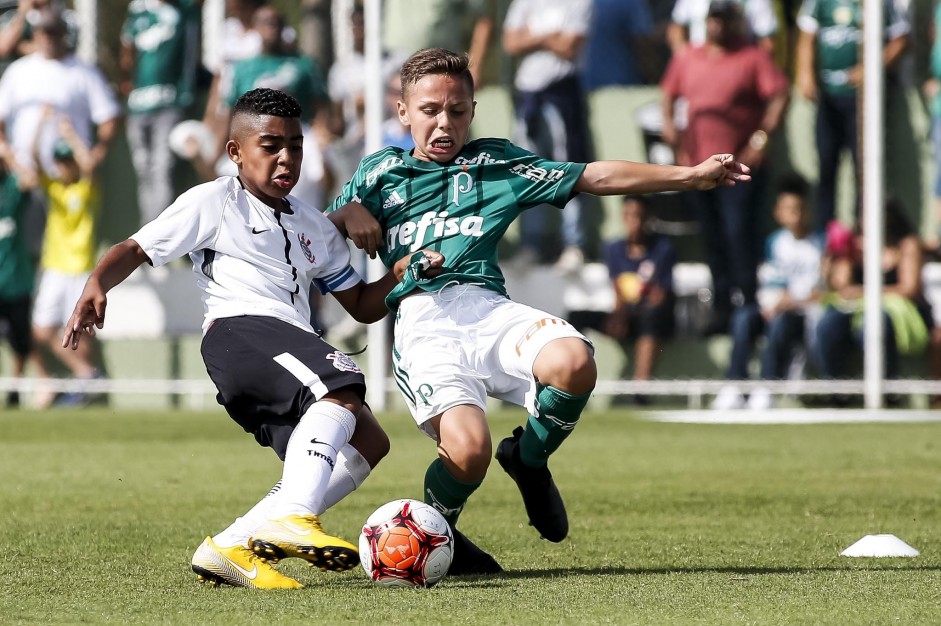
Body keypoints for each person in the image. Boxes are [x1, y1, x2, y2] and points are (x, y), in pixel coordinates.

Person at [326, 48, 750, 573]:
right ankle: (442, 533)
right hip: (424, 323)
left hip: (488, 308)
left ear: (473, 111)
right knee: (468, 451)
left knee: (573, 360)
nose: (444, 123)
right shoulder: (379, 171)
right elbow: (320, 231)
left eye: (457, 111)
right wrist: (345, 211)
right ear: (403, 112)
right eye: (431, 110)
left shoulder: (496, 162)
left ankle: (528, 460)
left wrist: (688, 176)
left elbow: (594, 175)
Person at [61, 88, 446, 589]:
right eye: (270, 145)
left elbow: (363, 307)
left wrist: (401, 274)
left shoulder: (314, 226)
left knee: (370, 441)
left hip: (283, 341)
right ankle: (294, 519)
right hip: (239, 332)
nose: (286, 157)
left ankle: (230, 547)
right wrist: (97, 282)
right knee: (342, 387)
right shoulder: (215, 200)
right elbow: (136, 247)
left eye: (296, 145)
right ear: (235, 152)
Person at [661, 0, 790, 336]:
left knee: (739, 235)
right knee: (713, 238)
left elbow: (779, 94)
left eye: (723, 19)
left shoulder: (751, 56)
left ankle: (747, 305)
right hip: (698, 167)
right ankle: (720, 307)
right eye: (712, 19)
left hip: (737, 167)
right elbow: (668, 91)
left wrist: (761, 140)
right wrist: (669, 127)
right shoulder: (690, 56)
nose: (717, 26)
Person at [0, 8, 119, 259]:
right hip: (26, 178)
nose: (48, 37)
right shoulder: (17, 71)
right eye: (42, 31)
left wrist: (96, 155)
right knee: (22, 249)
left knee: (68, 248)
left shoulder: (84, 72)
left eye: (54, 31)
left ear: (65, 33)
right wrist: (12, 161)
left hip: (69, 180)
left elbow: (108, 116)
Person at [711, 174, 825, 410]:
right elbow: (771, 283)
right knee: (743, 318)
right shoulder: (774, 243)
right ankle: (735, 386)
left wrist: (789, 302)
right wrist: (773, 303)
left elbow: (822, 291)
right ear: (778, 212)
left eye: (799, 208)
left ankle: (767, 386)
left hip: (801, 313)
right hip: (772, 308)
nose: (795, 214)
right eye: (788, 208)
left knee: (781, 323)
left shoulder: (820, 244)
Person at [795, 0, 910, 230]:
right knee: (826, 166)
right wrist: (805, 73)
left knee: (865, 167)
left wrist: (870, 67)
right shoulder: (819, 3)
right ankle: (825, 233)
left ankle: (863, 231)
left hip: (864, 100)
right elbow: (807, 35)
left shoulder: (880, 4)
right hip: (827, 98)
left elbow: (901, 39)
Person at [503, 0, 594, 275]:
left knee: (569, 169)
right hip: (528, 95)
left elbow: (569, 47)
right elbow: (510, 43)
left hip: (562, 93)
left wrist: (531, 36)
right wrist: (549, 36)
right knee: (527, 171)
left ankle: (573, 244)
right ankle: (531, 245)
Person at [814, 200, 932, 406]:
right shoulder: (858, 246)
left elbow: (909, 288)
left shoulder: (907, 245)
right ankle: (836, 392)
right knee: (828, 325)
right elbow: (841, 285)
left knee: (875, 324)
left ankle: (888, 391)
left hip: (900, 312)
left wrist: (865, 292)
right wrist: (838, 254)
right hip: (859, 309)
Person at [29, 108, 105, 406]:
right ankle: (88, 375)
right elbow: (35, 159)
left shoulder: (86, 189)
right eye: (59, 161)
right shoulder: (54, 189)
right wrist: (41, 123)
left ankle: (86, 383)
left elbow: (89, 166)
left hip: (80, 268)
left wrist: (70, 134)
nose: (62, 166)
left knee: (79, 329)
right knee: (42, 329)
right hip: (54, 268)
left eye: (66, 161)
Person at [119, 0, 202, 224]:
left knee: (162, 169)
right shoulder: (138, 9)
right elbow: (127, 46)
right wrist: (127, 79)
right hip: (138, 104)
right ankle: (149, 233)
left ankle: (156, 241)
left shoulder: (185, 9)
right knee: (144, 171)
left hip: (170, 102)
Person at [598, 195, 676, 403]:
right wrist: (618, 316)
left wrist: (633, 303)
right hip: (627, 315)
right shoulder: (613, 249)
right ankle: (569, 384)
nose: (634, 222)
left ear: (648, 218)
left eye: (639, 216)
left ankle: (640, 387)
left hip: (654, 318)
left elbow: (659, 296)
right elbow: (618, 291)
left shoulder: (662, 248)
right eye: (629, 216)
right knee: (577, 317)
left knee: (650, 316)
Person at [0, 141, 46, 408]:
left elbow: (30, 179)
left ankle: (18, 388)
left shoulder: (10, 190)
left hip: (16, 280)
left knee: (21, 339)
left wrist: (9, 154)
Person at [667, 0, 778, 55]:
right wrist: (686, 61)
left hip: (738, 67)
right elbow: (677, 28)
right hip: (700, 66)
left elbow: (766, 43)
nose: (717, 27)